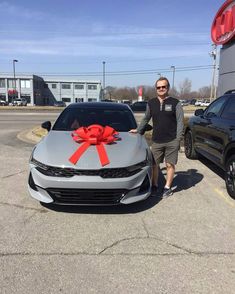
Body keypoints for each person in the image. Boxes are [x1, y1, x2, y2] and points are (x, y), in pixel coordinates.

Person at [129, 77, 184, 198]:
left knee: (170, 165)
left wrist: (178, 139)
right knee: (154, 165)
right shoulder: (151, 103)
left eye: (163, 87)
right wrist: (138, 130)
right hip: (157, 140)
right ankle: (154, 186)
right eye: (159, 87)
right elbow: (146, 118)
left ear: (168, 88)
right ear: (156, 89)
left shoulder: (176, 103)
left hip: (172, 140)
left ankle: (167, 188)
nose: (161, 89)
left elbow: (180, 122)